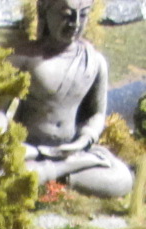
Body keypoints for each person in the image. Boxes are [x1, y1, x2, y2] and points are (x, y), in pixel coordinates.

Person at [9, 0, 133, 199]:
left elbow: (96, 114)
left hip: (72, 150)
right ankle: (63, 171)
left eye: (83, 15)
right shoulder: (22, 58)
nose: (75, 23)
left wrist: (84, 140)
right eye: (66, 15)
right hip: (30, 149)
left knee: (122, 179)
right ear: (45, 11)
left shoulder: (94, 62)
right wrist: (1, 138)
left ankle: (52, 175)